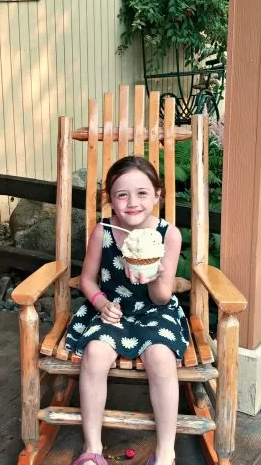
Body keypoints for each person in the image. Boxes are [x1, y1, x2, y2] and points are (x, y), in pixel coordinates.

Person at [66, 156, 189, 465]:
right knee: (94, 353)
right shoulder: (103, 231)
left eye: (142, 193)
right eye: (122, 194)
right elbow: (87, 280)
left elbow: (161, 299)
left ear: (157, 195)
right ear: (110, 199)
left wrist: (156, 275)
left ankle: (165, 453)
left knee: (161, 357)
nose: (132, 202)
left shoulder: (168, 235)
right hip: (113, 309)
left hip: (155, 312)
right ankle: (92, 448)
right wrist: (101, 303)